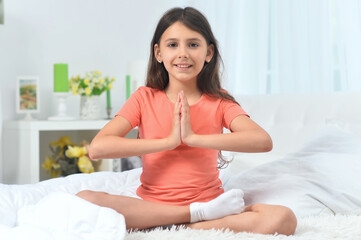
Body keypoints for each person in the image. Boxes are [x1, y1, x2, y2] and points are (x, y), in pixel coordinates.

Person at [77, 7, 297, 235]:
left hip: (210, 202)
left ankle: (181, 221)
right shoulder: (144, 98)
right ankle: (195, 216)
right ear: (158, 53)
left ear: (209, 53)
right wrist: (168, 142)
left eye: (193, 44)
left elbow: (262, 141)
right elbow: (97, 148)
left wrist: (193, 138)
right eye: (173, 45)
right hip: (152, 207)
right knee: (82, 200)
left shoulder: (220, 102)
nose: (183, 53)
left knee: (283, 218)